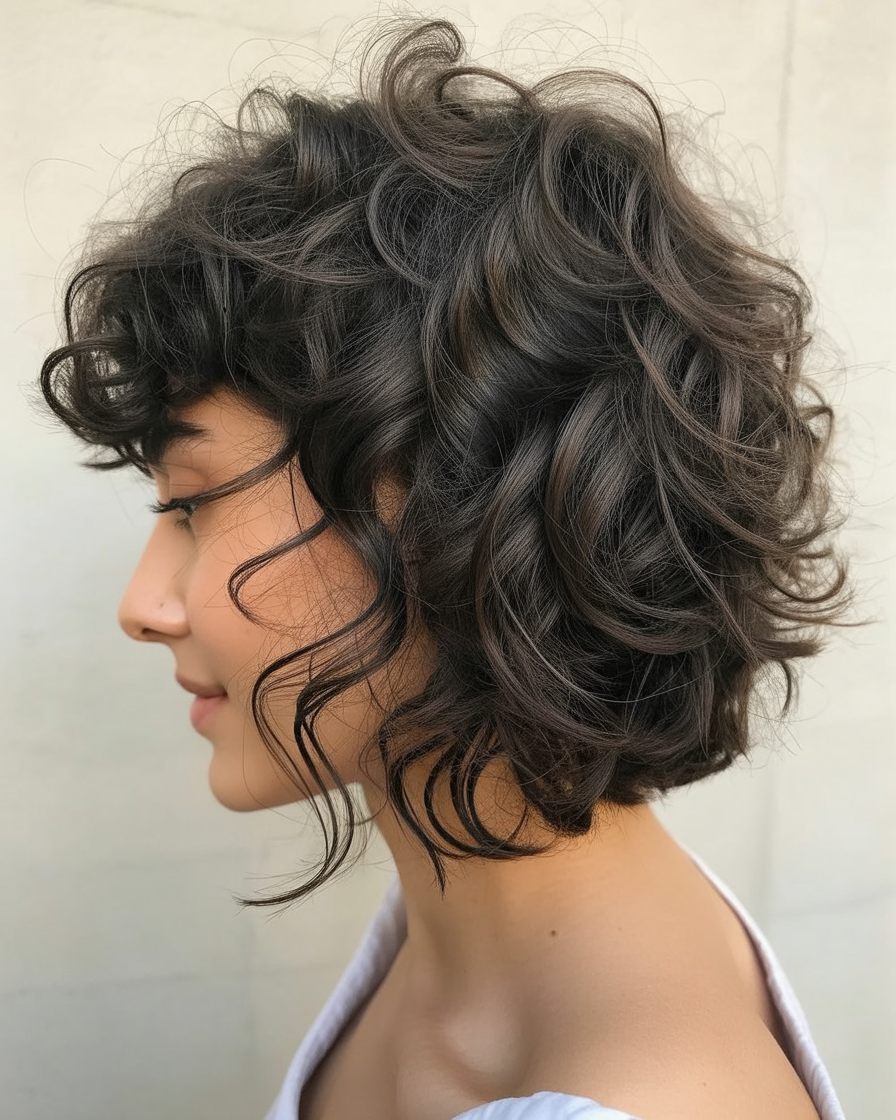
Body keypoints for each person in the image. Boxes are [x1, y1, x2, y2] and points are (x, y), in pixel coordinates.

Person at [39, 16, 853, 1120]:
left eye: (192, 504)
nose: (143, 606)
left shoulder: (650, 1091)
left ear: (458, 503)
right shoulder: (467, 927)